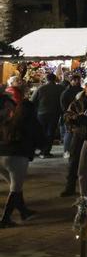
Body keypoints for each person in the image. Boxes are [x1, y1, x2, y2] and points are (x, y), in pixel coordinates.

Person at [0, 94, 39, 227]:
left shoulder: (10, 121)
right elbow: (41, 139)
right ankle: (5, 218)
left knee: (16, 186)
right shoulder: (31, 123)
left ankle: (24, 211)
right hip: (17, 157)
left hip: (1, 156)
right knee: (15, 188)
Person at [33, 73, 66, 158]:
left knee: (41, 132)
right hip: (55, 113)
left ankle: (41, 150)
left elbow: (33, 100)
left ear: (46, 79)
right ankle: (46, 151)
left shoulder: (41, 88)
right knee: (50, 132)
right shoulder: (61, 88)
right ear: (55, 79)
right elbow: (64, 101)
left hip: (41, 113)